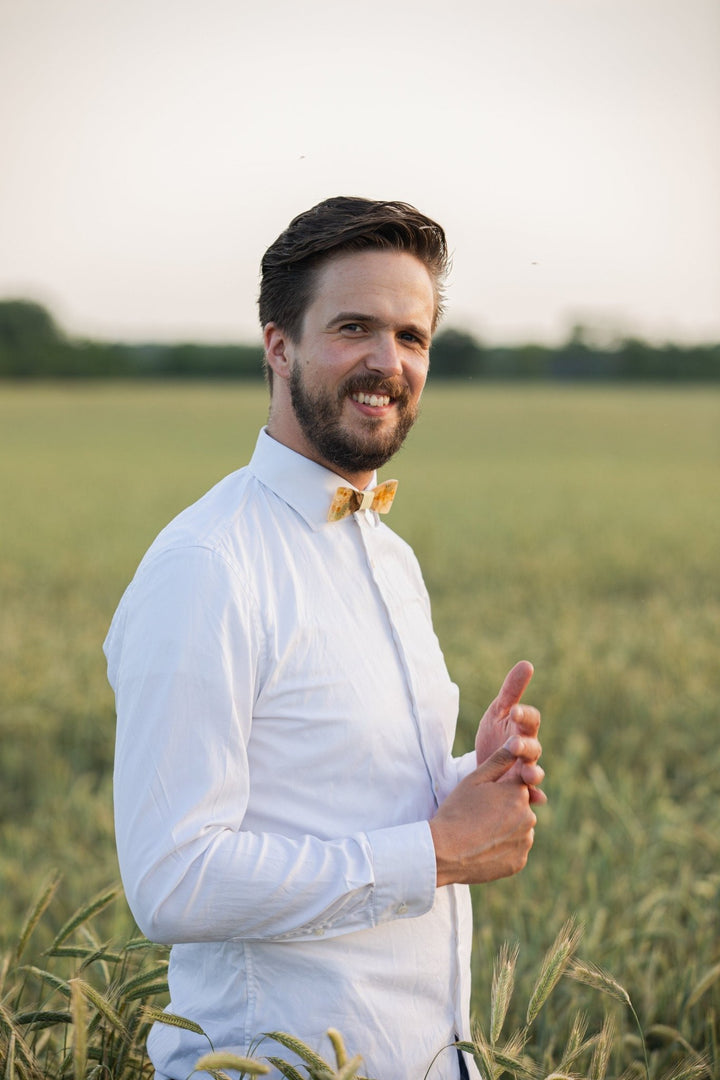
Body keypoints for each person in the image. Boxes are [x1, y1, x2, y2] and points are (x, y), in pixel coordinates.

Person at [104, 196, 545, 1080]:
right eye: (354, 327)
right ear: (279, 346)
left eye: (413, 337)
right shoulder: (208, 565)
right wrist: (434, 851)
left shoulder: (391, 556)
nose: (388, 363)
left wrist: (469, 776)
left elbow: (337, 793)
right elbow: (172, 878)